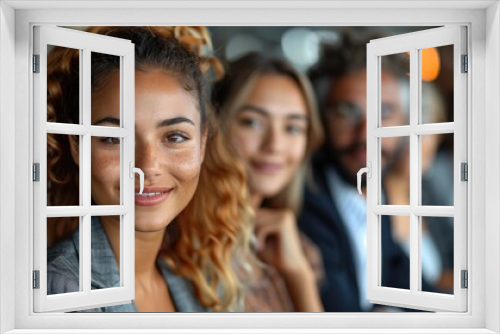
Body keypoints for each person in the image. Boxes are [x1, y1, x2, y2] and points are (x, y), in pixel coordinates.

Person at [46, 26, 253, 312]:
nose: (147, 166)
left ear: (202, 144)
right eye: (115, 139)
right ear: (77, 145)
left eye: (175, 137)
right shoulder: (61, 295)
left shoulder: (191, 282)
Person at [298, 31, 426, 312]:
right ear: (320, 118)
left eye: (384, 111)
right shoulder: (305, 202)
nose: (367, 134)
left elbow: (408, 282)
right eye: (347, 111)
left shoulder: (377, 193)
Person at [213, 52, 325, 312]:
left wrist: (299, 276)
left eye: (293, 128)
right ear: (215, 126)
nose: (274, 145)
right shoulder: (190, 247)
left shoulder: (301, 249)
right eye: (252, 122)